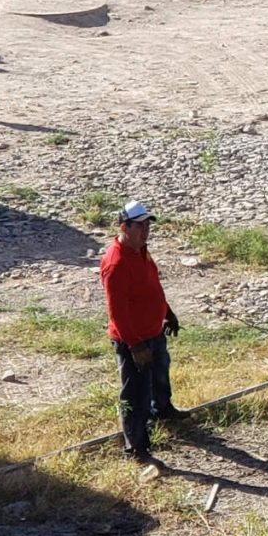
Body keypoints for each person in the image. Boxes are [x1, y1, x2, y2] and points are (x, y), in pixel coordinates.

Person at [99, 200, 180, 466]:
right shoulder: (116, 263)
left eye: (148, 225)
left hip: (153, 332)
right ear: (125, 227)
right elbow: (117, 312)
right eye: (140, 226)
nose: (146, 231)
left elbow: (151, 287)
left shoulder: (140, 251)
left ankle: (164, 412)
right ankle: (135, 446)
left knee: (159, 379)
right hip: (133, 340)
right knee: (134, 394)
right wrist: (135, 346)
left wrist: (167, 312)